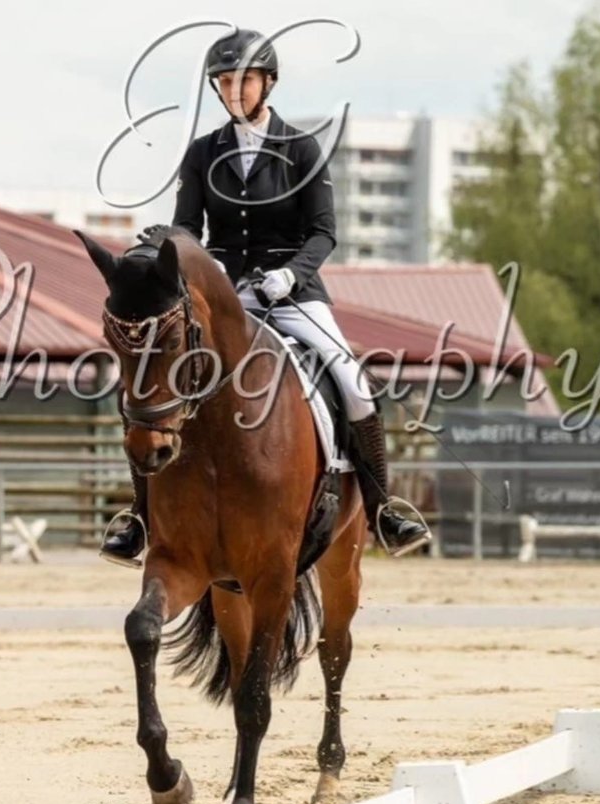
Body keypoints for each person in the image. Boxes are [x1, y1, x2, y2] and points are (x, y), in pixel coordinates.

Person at [100, 27, 432, 566]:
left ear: (267, 83)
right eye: (224, 82)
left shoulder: (301, 148)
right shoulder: (203, 153)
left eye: (244, 81)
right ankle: (140, 519)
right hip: (226, 295)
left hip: (294, 293)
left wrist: (291, 275)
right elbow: (189, 232)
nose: (234, 91)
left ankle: (383, 509)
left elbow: (324, 232)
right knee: (151, 382)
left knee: (351, 378)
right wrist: (166, 243)